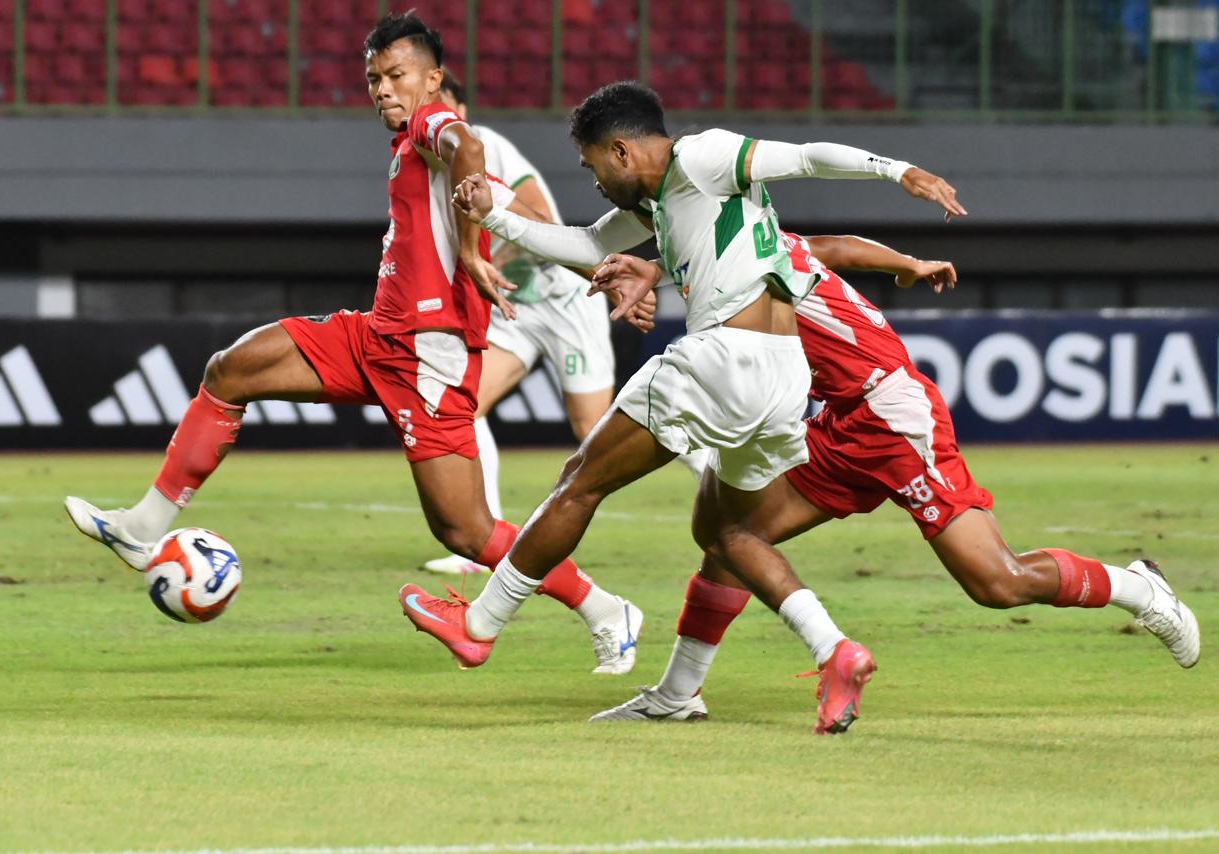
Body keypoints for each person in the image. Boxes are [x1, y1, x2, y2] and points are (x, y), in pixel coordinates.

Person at [63, 12, 643, 676]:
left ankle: (606, 610)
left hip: (430, 357)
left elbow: (468, 151)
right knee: (233, 368)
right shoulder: (411, 145)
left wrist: (472, 252)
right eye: (373, 79)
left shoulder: (435, 126)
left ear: (432, 79)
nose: (384, 90)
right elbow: (510, 208)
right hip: (378, 337)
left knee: (467, 532)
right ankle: (143, 528)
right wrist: (574, 262)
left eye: (396, 75)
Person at [399, 80, 967, 734]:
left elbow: (807, 156)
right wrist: (497, 215)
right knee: (729, 535)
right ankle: (829, 651)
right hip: (781, 380)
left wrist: (900, 172)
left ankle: (478, 625)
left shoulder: (702, 158)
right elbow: (587, 246)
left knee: (580, 482)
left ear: (619, 150)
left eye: (591, 167)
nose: (593, 182)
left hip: (723, 359)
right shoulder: (661, 200)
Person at [587, 232, 1201, 724]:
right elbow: (838, 247)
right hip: (838, 423)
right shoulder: (759, 245)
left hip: (895, 420)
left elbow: (817, 256)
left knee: (997, 582)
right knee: (729, 533)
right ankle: (677, 694)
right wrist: (907, 264)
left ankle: (1139, 589)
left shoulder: (744, 262)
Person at [421, 71, 623, 579]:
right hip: (518, 306)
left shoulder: (483, 145)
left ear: (459, 109)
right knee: (461, 404)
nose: (433, 113)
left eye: (440, 101)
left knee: (596, 433)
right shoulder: (428, 169)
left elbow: (544, 214)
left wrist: (591, 270)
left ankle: (707, 465)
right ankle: (482, 542)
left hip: (565, 297)